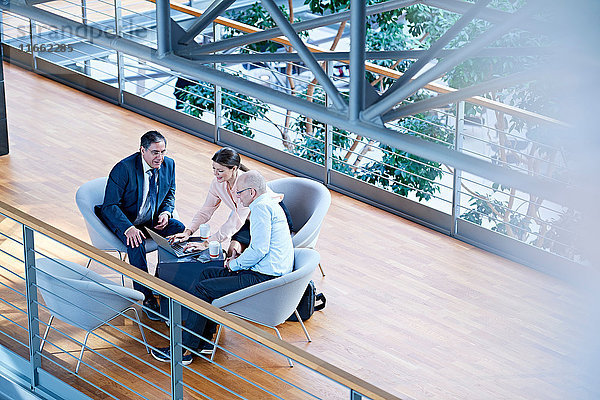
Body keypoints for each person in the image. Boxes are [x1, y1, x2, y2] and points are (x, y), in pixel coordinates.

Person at [151, 170, 294, 365]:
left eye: (240, 192)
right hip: (268, 271)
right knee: (207, 273)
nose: (237, 196)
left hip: (264, 278)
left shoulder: (260, 208)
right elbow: (260, 248)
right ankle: (203, 340)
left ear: (252, 192)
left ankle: (184, 350)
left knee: (203, 289)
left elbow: (259, 249)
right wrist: (235, 262)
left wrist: (234, 264)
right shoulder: (269, 204)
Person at [97, 130, 185, 320]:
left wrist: (166, 212)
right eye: (155, 152)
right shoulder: (124, 168)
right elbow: (109, 206)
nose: (160, 157)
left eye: (163, 152)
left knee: (179, 229)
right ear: (142, 150)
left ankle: (161, 281)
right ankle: (146, 296)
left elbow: (170, 192)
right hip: (125, 221)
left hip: (149, 220)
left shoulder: (169, 165)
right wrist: (128, 228)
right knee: (136, 242)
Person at [169, 147, 292, 257]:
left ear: (234, 168)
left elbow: (236, 220)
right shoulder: (217, 183)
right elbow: (206, 210)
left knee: (252, 253)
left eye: (220, 171)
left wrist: (207, 243)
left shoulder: (244, 185)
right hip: (248, 220)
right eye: (214, 169)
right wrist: (188, 232)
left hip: (268, 220)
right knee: (232, 250)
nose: (215, 174)